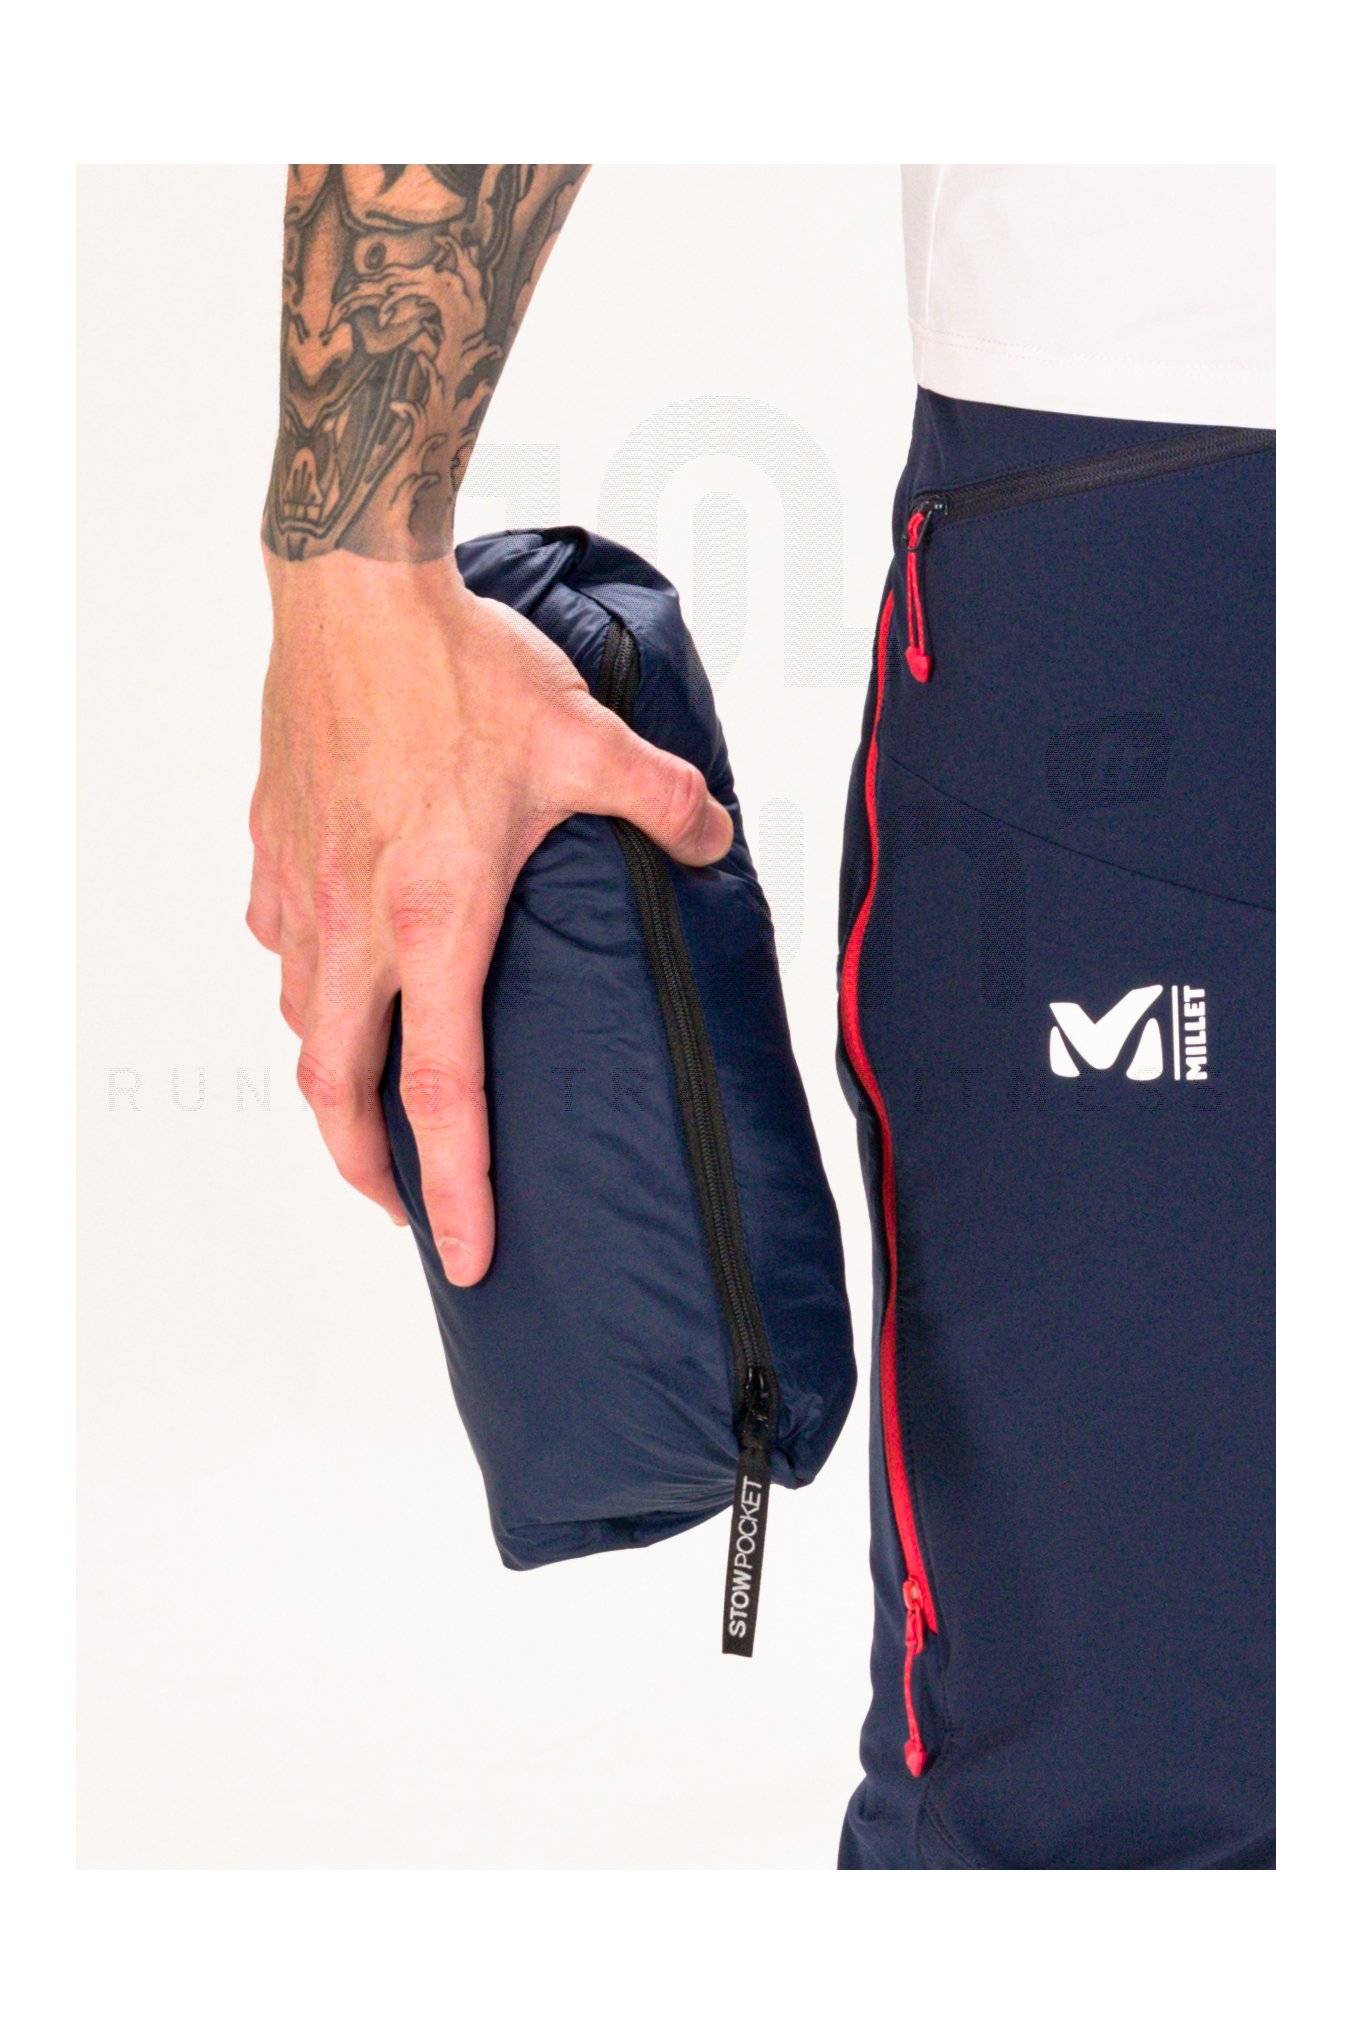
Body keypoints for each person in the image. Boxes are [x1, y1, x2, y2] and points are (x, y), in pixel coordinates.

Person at [247, 164, 1274, 1870]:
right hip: (1185, 476)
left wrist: (349, 576)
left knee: (1114, 1803)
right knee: (1120, 1804)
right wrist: (356, 590)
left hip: (1161, 513)